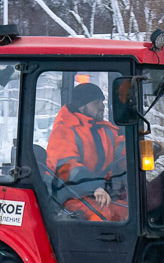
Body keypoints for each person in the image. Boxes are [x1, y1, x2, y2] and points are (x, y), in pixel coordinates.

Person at [45, 82, 127, 221]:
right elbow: (66, 167)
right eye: (96, 102)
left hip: (99, 192)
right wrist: (94, 187)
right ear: (82, 106)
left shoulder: (105, 129)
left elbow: (122, 153)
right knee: (100, 217)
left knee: (129, 214)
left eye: (102, 101)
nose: (102, 106)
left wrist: (145, 152)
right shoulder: (65, 129)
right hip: (68, 194)